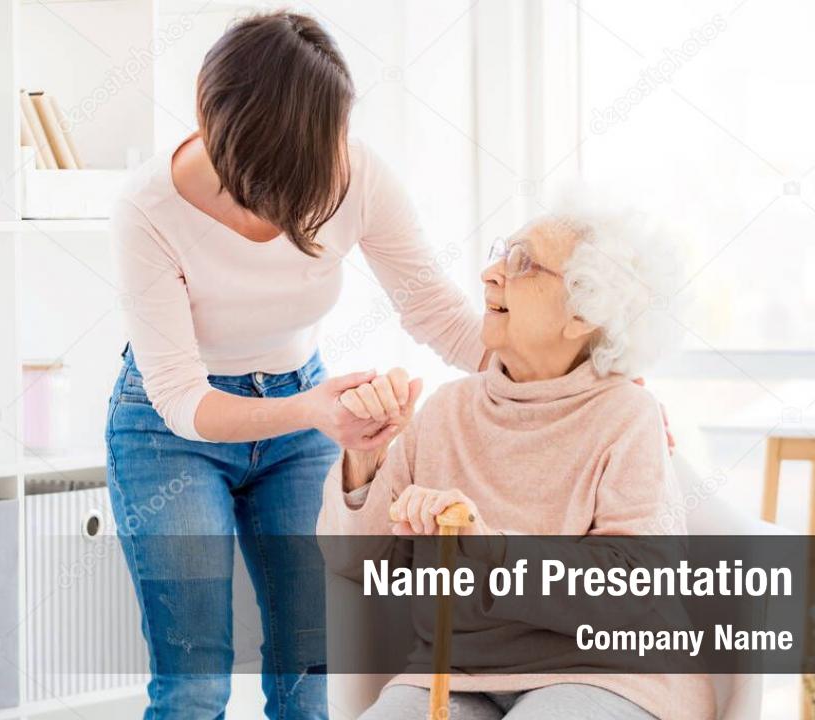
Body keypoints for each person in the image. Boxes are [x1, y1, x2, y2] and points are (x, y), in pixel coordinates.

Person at [106, 11, 488, 719]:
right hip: (169, 434)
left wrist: (583, 374)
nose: (331, 168)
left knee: (312, 674)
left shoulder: (353, 169)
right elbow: (184, 400)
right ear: (237, 143)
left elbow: (438, 312)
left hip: (297, 414)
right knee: (194, 684)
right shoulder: (148, 209)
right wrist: (315, 411)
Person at [317, 201, 716, 719]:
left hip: (611, 674)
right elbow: (357, 563)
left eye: (522, 262)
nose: (489, 274)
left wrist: (495, 552)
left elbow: (637, 592)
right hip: (454, 672)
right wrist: (364, 458)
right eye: (500, 255)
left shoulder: (626, 415)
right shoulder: (446, 409)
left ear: (583, 312)